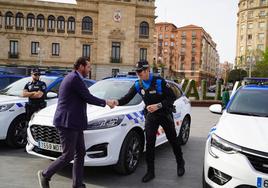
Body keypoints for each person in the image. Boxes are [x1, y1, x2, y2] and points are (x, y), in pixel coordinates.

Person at [37, 57, 115, 188]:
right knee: (68, 155)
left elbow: (82, 98)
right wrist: (106, 102)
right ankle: (45, 174)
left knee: (80, 152)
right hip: (67, 122)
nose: (89, 69)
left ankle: (77, 184)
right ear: (81, 66)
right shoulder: (74, 79)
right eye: (88, 67)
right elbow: (88, 97)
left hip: (74, 123)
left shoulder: (75, 78)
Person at [113, 60, 185, 183]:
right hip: (151, 117)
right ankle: (150, 172)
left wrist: (158, 105)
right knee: (150, 143)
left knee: (173, 140)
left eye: (140, 71)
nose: (138, 73)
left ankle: (180, 163)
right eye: (137, 71)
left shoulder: (159, 81)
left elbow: (171, 97)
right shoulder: (138, 85)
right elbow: (126, 98)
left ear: (147, 70)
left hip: (164, 114)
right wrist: (116, 102)